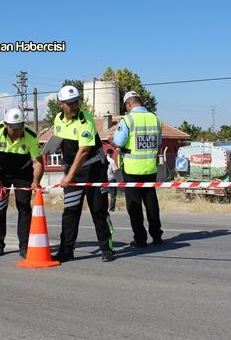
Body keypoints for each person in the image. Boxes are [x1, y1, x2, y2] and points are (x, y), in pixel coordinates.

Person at [52, 85, 115, 262]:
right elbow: (61, 141)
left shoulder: (84, 120)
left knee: (99, 211)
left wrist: (69, 176)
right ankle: (66, 250)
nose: (74, 106)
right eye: (70, 103)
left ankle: (106, 247)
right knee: (70, 211)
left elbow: (84, 151)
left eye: (76, 102)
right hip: (73, 170)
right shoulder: (58, 119)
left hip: (93, 169)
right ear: (61, 104)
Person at [0, 108, 44, 258]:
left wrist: (36, 181)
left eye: (20, 127)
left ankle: (24, 246)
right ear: (5, 125)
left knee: (24, 207)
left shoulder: (30, 136)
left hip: (22, 173)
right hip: (0, 173)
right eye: (13, 128)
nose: (17, 132)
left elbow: (38, 162)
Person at [113, 91, 164, 247]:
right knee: (151, 202)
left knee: (134, 205)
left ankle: (140, 239)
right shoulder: (156, 119)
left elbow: (118, 143)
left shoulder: (128, 120)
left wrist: (112, 140)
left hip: (132, 168)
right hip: (150, 168)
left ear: (128, 104)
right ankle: (157, 236)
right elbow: (159, 142)